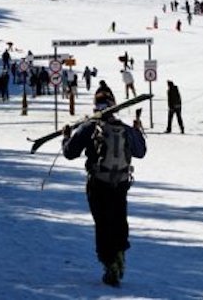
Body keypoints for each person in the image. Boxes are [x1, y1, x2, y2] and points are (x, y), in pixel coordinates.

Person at [62, 91, 147, 287]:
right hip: (121, 182)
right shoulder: (123, 128)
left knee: (102, 223)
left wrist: (66, 137)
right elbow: (140, 152)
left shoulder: (90, 127)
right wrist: (137, 131)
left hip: (98, 182)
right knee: (119, 219)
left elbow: (69, 152)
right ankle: (119, 254)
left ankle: (109, 265)